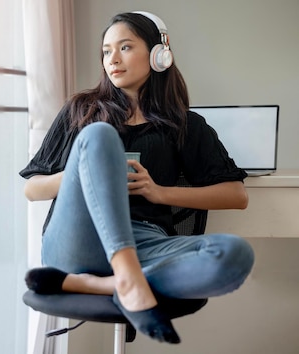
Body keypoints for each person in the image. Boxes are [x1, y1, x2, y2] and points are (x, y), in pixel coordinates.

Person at [19, 11, 254, 344]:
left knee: (235, 254)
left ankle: (109, 282)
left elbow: (235, 195)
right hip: (80, 241)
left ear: (159, 54)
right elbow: (32, 189)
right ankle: (128, 277)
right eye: (106, 51)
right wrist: (87, 171)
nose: (112, 59)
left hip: (148, 242)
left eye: (125, 47)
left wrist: (158, 192)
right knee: (99, 137)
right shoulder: (82, 111)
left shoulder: (185, 124)